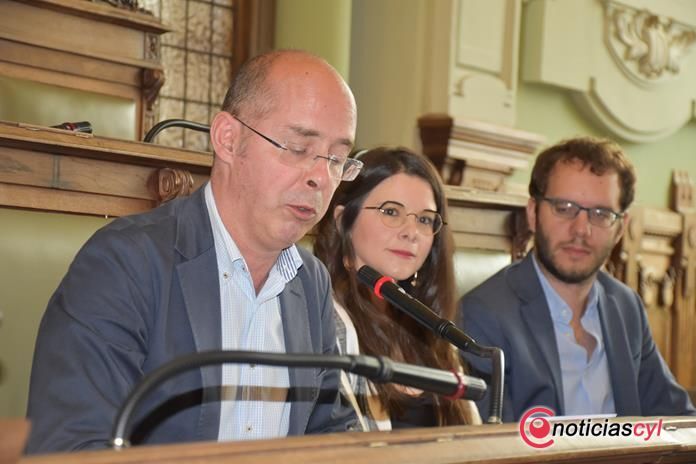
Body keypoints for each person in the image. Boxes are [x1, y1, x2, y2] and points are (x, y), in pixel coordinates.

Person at [26, 49, 363, 453]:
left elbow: (330, 434)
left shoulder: (310, 281)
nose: (321, 177)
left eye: (337, 160)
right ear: (228, 139)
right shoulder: (124, 262)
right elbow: (74, 445)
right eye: (296, 147)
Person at [458, 136, 696, 422]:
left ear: (620, 229)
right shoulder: (483, 314)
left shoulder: (625, 306)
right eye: (564, 208)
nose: (581, 229)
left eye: (601, 214)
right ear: (533, 213)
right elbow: (490, 440)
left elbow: (675, 417)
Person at [314, 147, 481, 430]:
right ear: (343, 221)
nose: (411, 232)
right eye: (391, 212)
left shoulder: (430, 327)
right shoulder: (324, 320)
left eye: (425, 219)